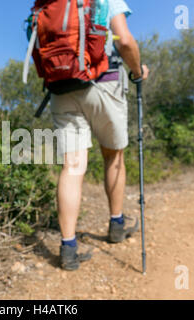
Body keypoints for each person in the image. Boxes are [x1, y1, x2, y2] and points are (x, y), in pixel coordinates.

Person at [51, 0, 150, 271]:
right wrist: (138, 71)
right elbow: (125, 41)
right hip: (104, 83)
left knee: (72, 166)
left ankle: (68, 248)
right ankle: (116, 225)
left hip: (61, 88)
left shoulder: (47, 4)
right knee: (113, 155)